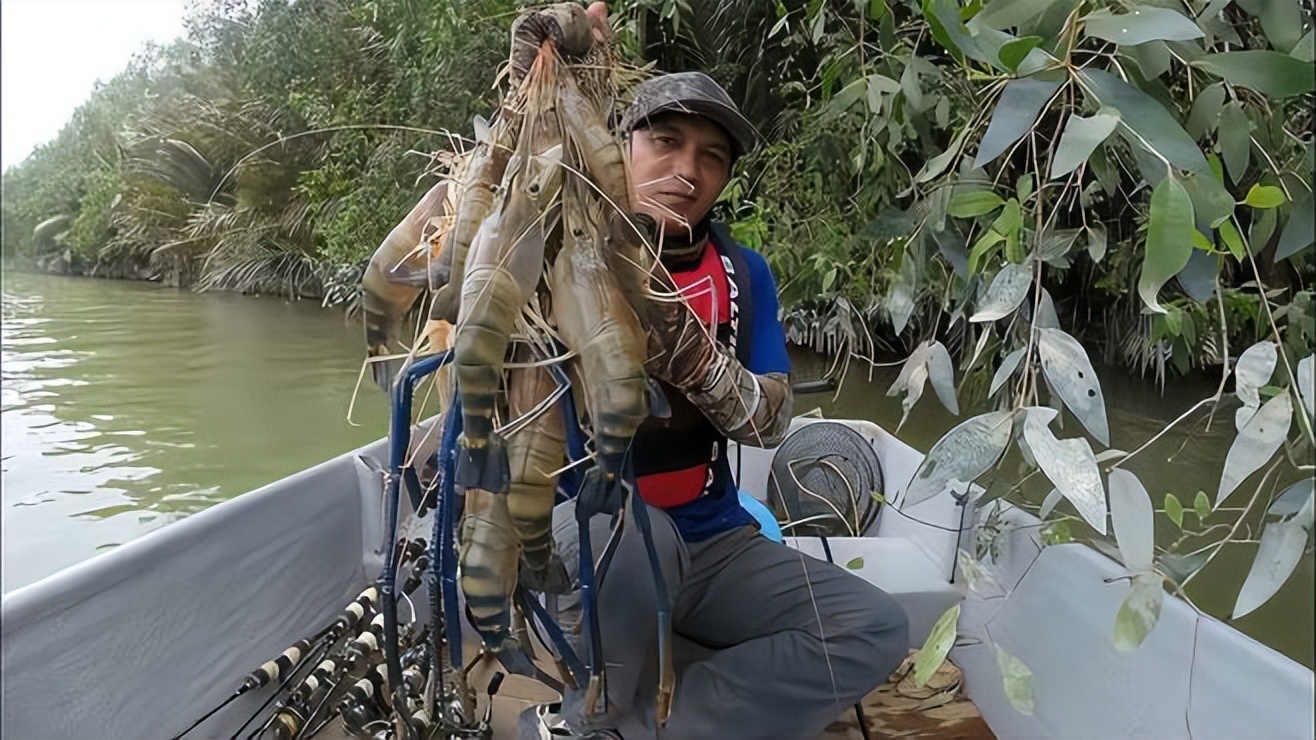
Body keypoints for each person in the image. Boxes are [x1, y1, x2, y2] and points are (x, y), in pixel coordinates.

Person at [530, 68, 911, 740]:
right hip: (596, 533)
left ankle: (652, 722)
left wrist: (695, 357)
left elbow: (773, 421)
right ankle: (597, 709)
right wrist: (551, 72)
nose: (687, 170)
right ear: (621, 148)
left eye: (712, 157)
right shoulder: (557, 252)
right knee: (617, 532)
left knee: (874, 628)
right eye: (666, 143)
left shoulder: (745, 275)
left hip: (717, 540)